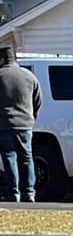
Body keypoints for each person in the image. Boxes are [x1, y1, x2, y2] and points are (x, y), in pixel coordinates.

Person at [0, 47, 41, 202]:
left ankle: (14, 193)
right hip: (25, 124)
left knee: (9, 157)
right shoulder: (29, 76)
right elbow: (38, 100)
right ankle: (29, 192)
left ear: (2, 59)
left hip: (4, 124)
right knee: (27, 158)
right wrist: (31, 117)